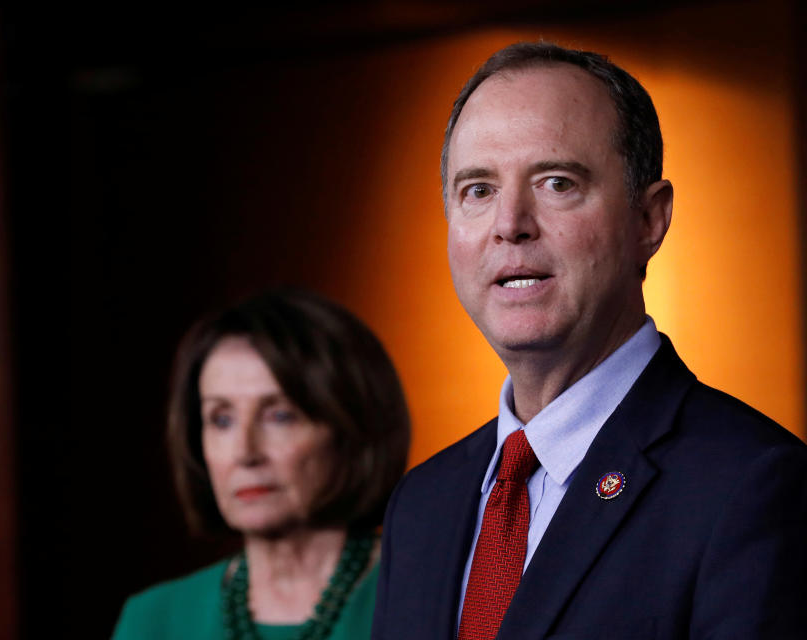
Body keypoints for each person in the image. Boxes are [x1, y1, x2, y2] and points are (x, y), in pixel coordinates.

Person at [372, 42, 807, 640]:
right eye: (478, 190)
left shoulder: (751, 485)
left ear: (649, 220)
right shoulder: (421, 505)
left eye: (557, 182)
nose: (510, 223)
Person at [113, 289, 410, 639]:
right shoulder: (154, 619)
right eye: (221, 420)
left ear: (351, 428)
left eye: (279, 416)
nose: (245, 452)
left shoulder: (428, 594)